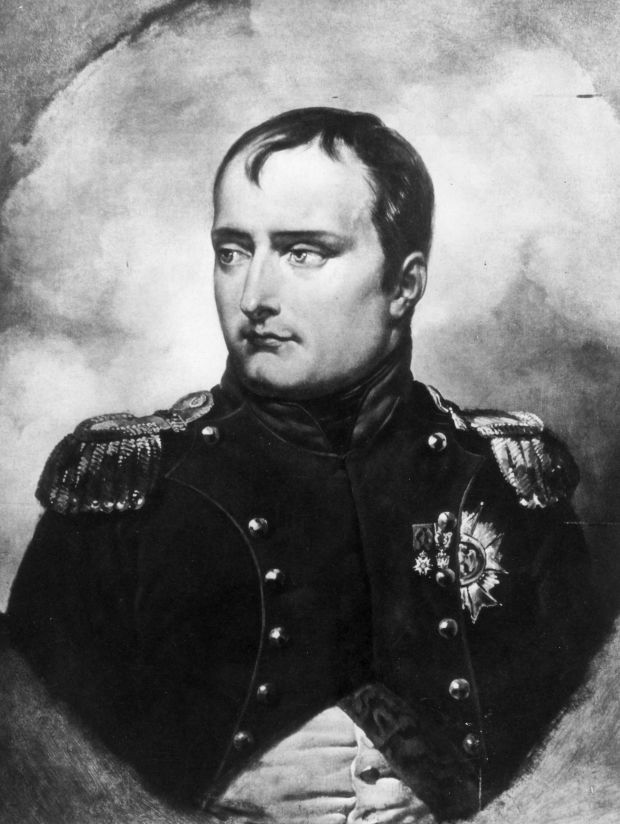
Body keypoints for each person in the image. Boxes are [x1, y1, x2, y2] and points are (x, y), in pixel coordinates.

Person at [6, 108, 599, 823]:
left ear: (405, 284)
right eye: (232, 251)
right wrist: (207, 789)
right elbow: (29, 756)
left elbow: (589, 750)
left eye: (303, 253)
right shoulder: (125, 490)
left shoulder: (502, 482)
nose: (254, 296)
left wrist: (444, 788)